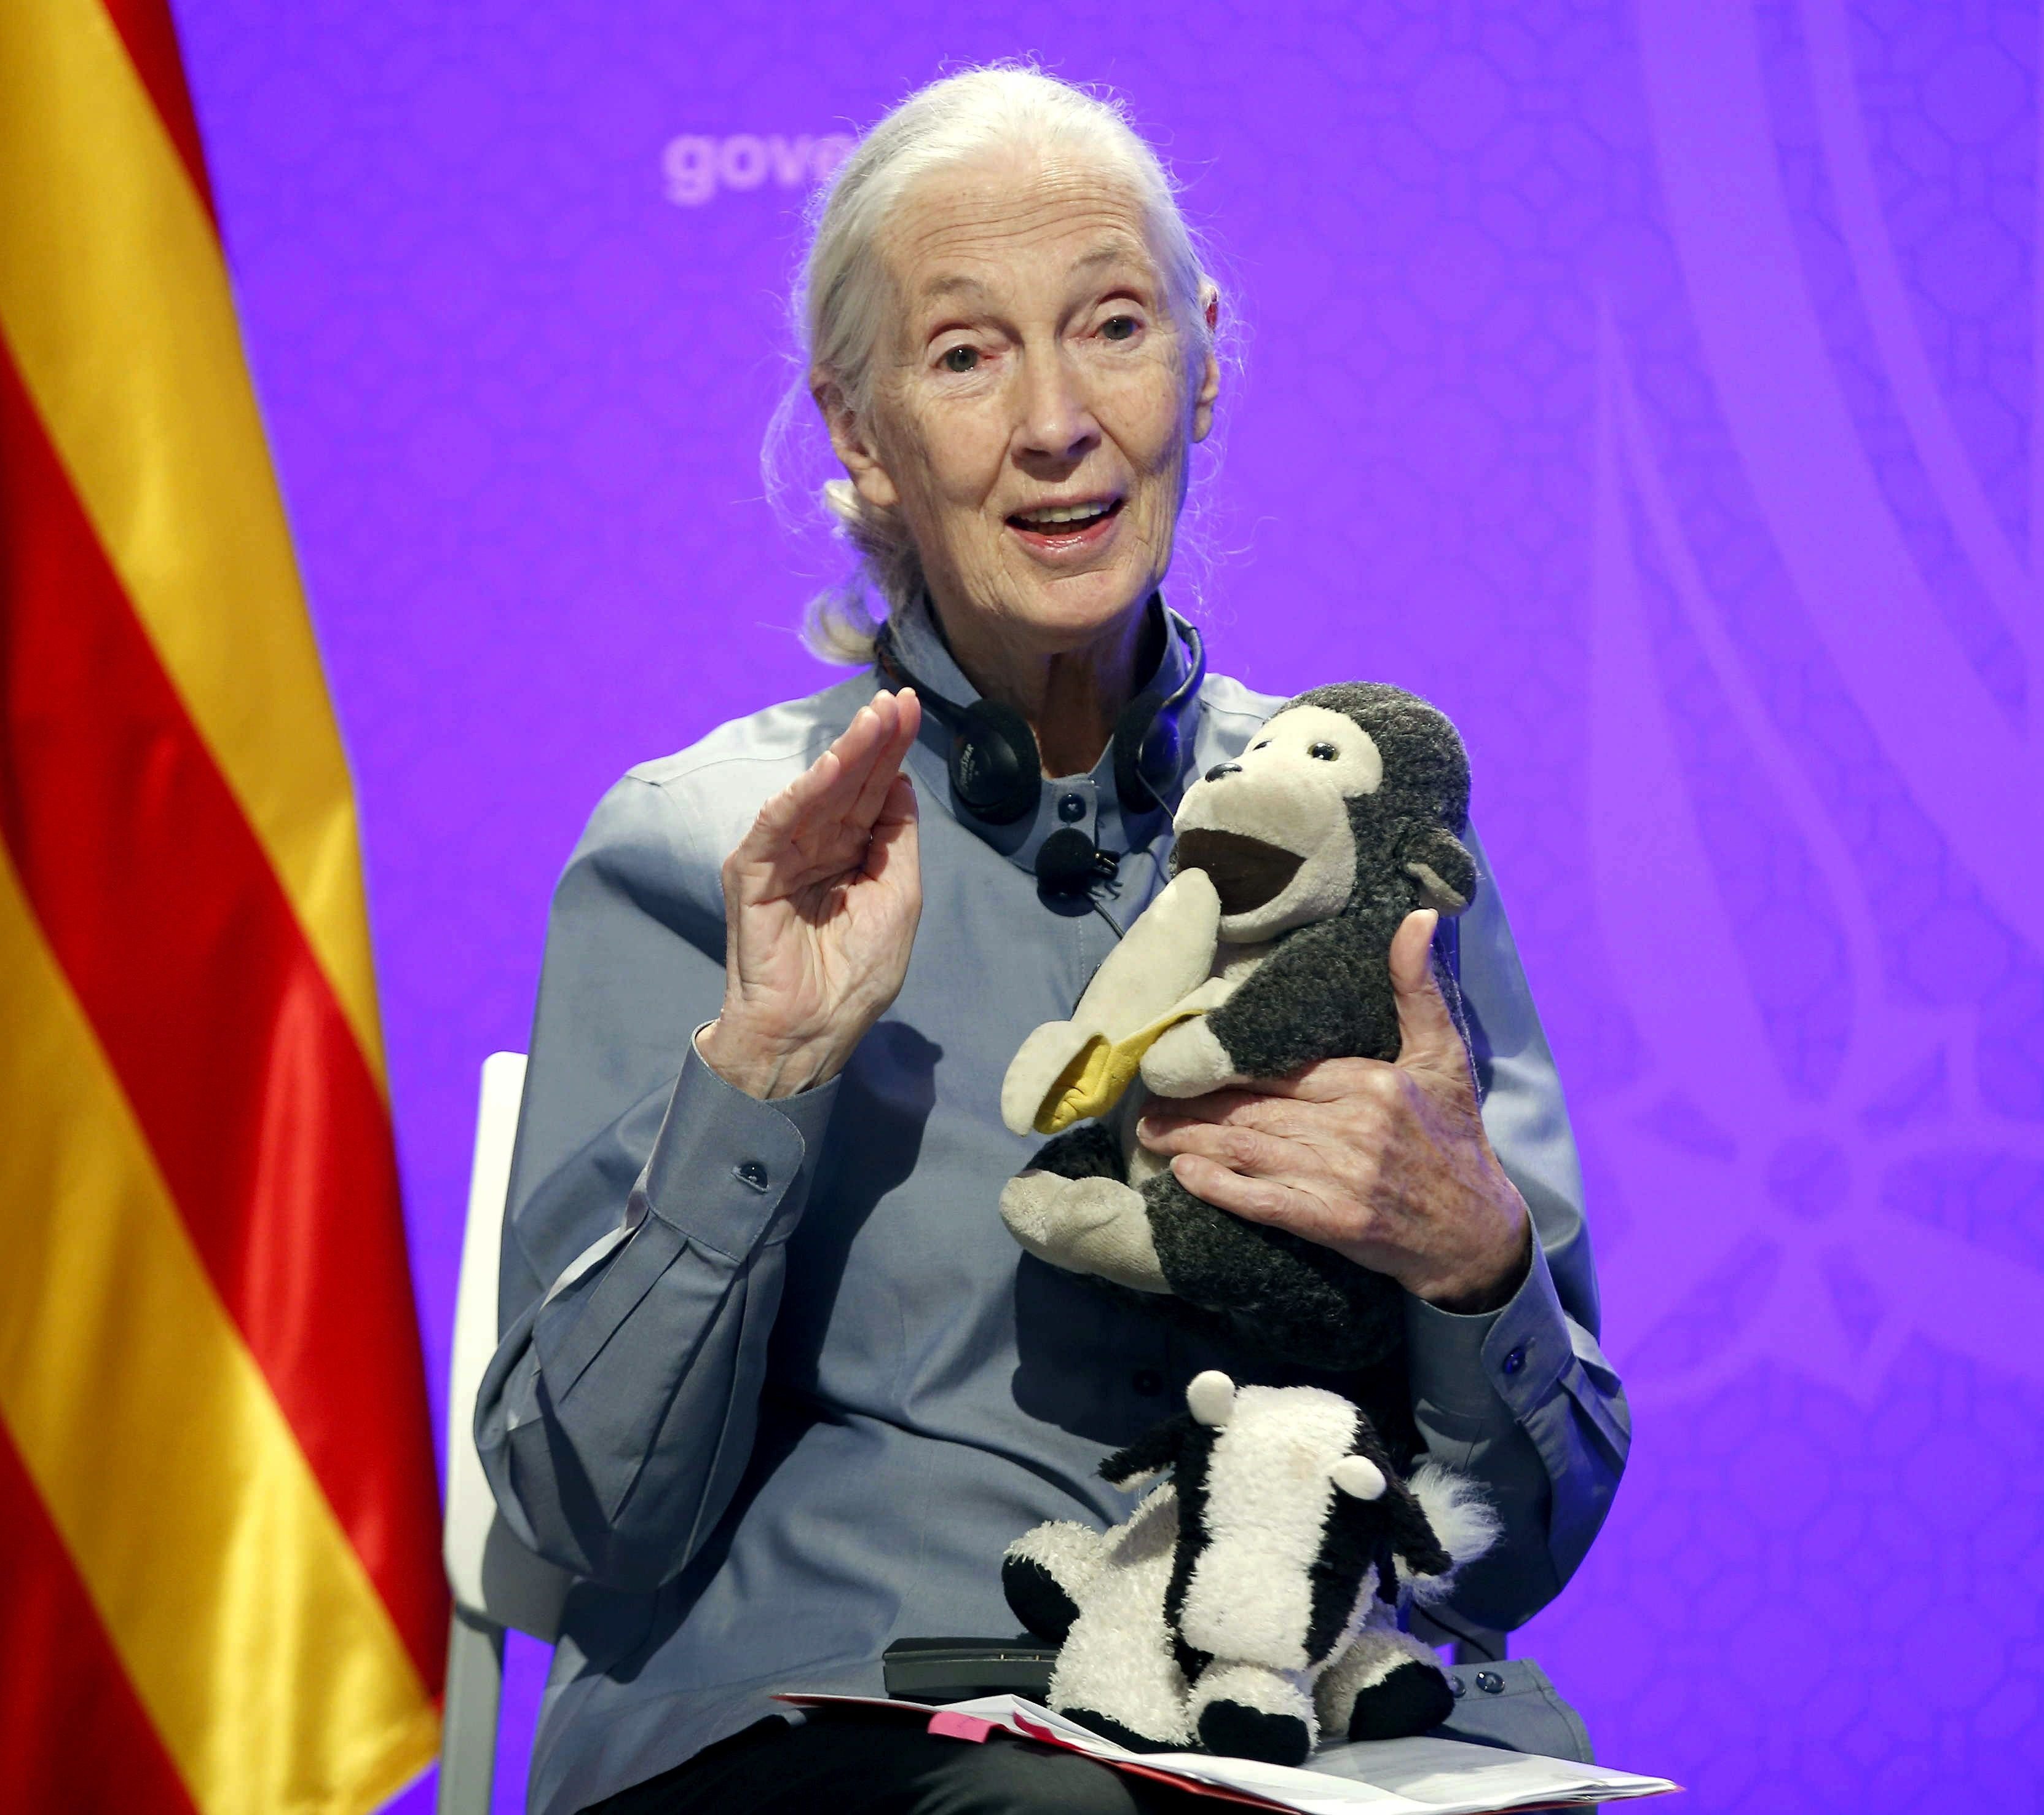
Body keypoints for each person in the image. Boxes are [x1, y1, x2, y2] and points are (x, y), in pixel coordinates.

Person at [473, 65, 1628, 1815]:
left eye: (1110, 326)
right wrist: (766, 1076)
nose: (1055, 422)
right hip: (822, 1730)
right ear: (860, 433)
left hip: (1280, 1732)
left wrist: (1474, 1264)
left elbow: (1519, 1548)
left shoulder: (1372, 845)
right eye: (964, 355)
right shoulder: (707, 851)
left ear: (1206, 356)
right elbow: (587, 1514)